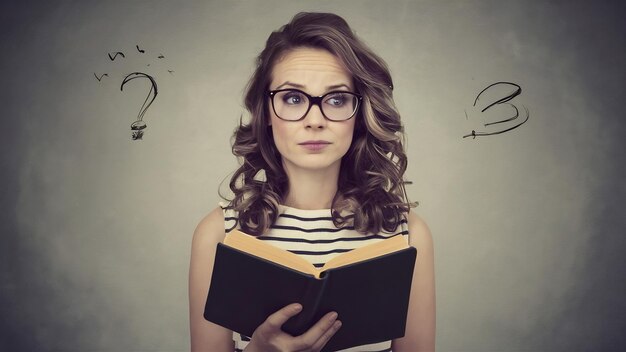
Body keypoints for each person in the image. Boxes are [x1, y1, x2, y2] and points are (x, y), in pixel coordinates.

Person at [189, 12, 435, 352]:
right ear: (267, 112)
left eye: (336, 99)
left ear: (360, 113)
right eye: (293, 98)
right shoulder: (219, 234)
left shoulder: (406, 235)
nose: (315, 120)